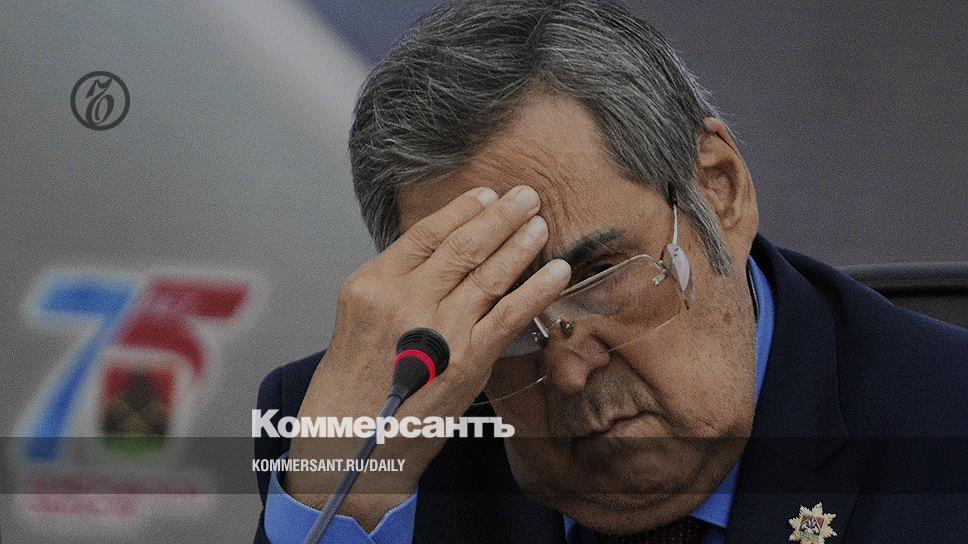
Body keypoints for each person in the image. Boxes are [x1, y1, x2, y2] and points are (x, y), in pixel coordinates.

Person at [254, 1, 968, 542]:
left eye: (597, 274)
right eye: (499, 310)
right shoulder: (370, 430)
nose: (568, 370)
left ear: (719, 191)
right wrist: (340, 501)